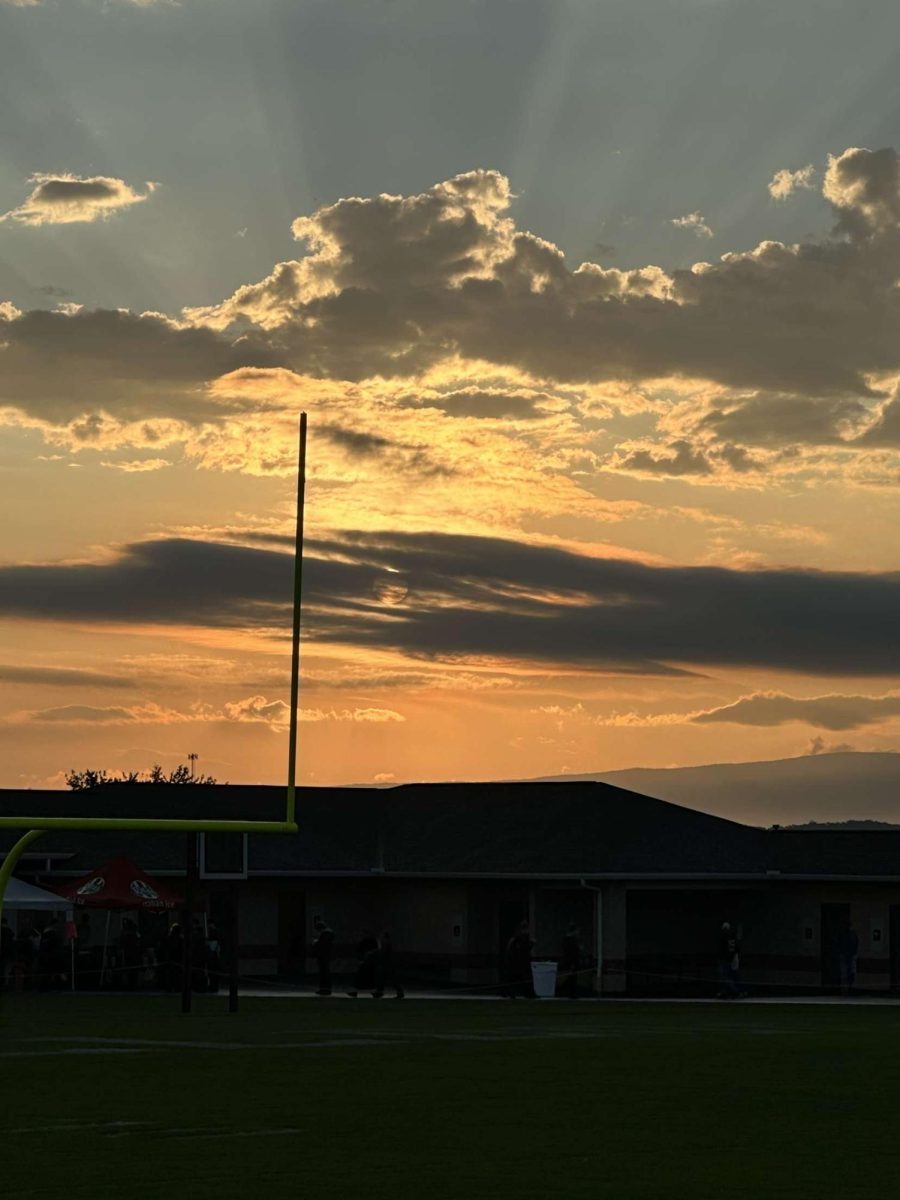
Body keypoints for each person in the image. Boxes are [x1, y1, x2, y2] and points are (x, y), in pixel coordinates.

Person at [502, 920, 535, 998]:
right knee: (516, 978)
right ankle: (509, 992)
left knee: (515, 978)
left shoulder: (517, 939)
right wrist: (531, 945)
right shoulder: (518, 939)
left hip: (518, 962)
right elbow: (523, 950)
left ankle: (510, 992)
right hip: (518, 962)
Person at [372, 930, 405, 999]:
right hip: (387, 963)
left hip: (387, 964)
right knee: (384, 978)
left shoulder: (385, 943)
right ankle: (380, 992)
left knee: (389, 979)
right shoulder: (387, 943)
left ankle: (380, 992)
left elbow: (382, 953)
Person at [347, 929, 379, 997]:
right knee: (369, 978)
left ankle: (355, 991)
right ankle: (373, 991)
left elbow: (359, 950)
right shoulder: (371, 941)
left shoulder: (365, 941)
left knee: (361, 977)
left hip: (366, 961)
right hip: (368, 961)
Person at [716, 921, 744, 999]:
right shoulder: (732, 937)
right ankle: (726, 992)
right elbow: (736, 948)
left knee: (725, 977)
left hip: (725, 959)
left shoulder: (723, 937)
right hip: (732, 959)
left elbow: (721, 949)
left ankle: (734, 991)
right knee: (732, 976)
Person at [311, 916, 334, 996]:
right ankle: (324, 989)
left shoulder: (325, 934)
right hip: (325, 956)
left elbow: (322, 946)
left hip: (323, 956)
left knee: (324, 973)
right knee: (324, 972)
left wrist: (316, 943)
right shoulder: (328, 934)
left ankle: (325, 989)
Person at [559, 923, 582, 999]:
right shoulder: (570, 941)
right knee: (572, 978)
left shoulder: (567, 940)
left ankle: (569, 992)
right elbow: (571, 953)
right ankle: (569, 992)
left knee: (572, 978)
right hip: (571, 962)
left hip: (571, 961)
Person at [119, 918, 142, 991]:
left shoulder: (131, 935)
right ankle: (132, 985)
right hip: (131, 955)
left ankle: (132, 985)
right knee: (132, 971)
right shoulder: (132, 935)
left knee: (132, 971)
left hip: (131, 955)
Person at [839, 924, 859, 995]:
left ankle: (849, 988)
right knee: (846, 973)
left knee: (850, 973)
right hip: (846, 956)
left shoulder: (851, 935)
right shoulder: (846, 935)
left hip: (850, 956)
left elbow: (856, 944)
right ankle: (846, 989)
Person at [206, 923, 222, 994]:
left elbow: (212, 951)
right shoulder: (216, 942)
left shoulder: (213, 942)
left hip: (213, 961)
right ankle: (214, 987)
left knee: (213, 975)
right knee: (213, 975)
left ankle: (213, 987)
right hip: (215, 960)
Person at [0, 917, 13, 991]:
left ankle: (4, 983)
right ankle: (5, 983)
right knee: (5, 969)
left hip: (3, 952)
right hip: (6, 953)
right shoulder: (8, 931)